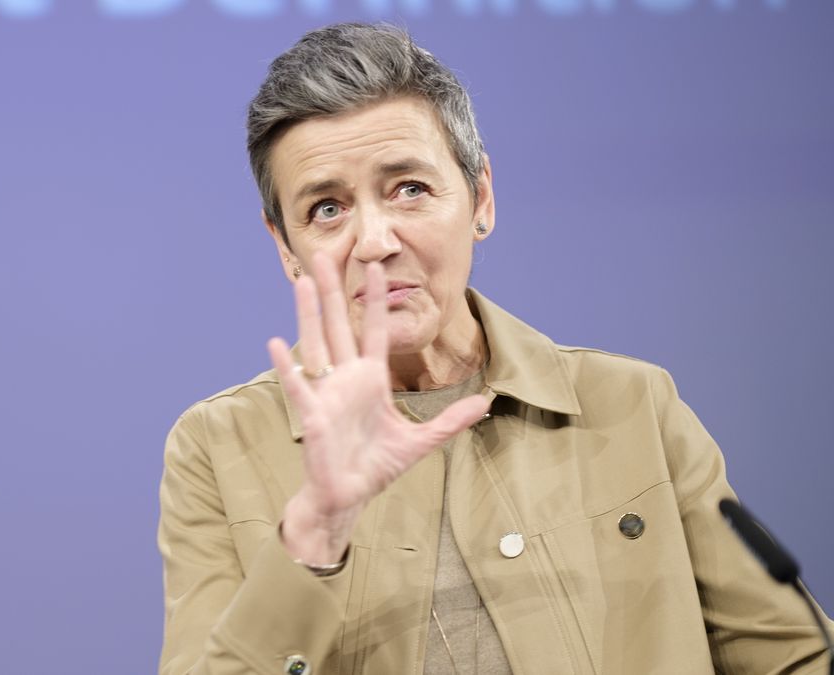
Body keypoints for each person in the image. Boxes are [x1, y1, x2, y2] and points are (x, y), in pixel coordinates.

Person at [158, 22, 832, 675]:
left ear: (481, 197)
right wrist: (315, 533)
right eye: (326, 208)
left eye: (410, 189)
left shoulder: (634, 405)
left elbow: (796, 654)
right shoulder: (218, 447)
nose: (373, 241)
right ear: (287, 249)